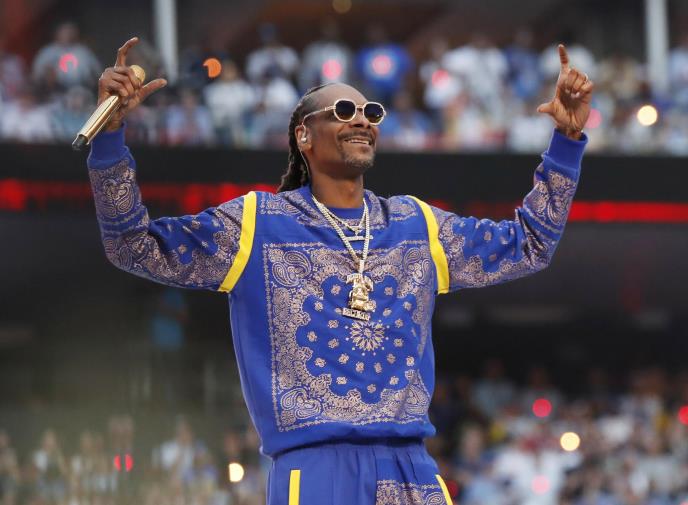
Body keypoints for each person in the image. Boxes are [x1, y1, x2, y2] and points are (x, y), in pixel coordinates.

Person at [86, 37, 593, 505]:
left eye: (371, 112)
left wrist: (567, 140)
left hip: (411, 468)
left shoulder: (416, 224)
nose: (362, 121)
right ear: (303, 134)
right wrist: (110, 136)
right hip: (315, 468)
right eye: (344, 111)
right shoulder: (257, 224)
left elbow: (529, 245)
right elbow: (133, 246)